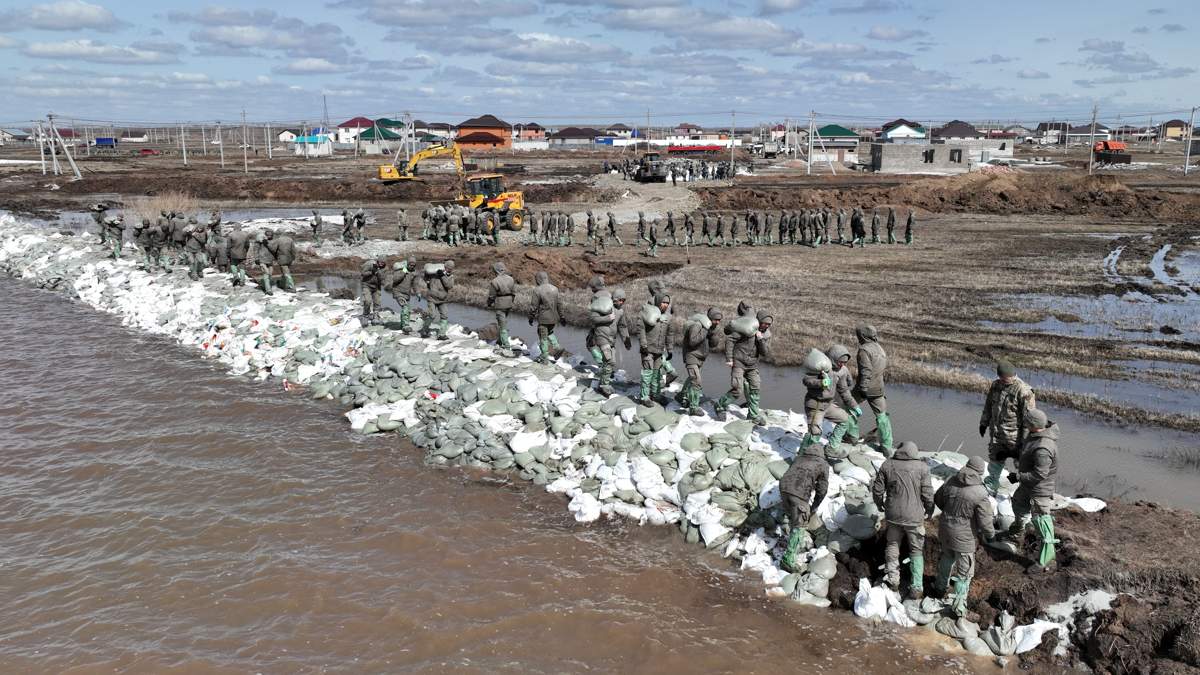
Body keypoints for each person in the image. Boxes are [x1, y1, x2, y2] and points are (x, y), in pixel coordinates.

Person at [933, 456, 996, 618]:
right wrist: (990, 534)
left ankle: (939, 590)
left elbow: (938, 499)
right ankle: (958, 606)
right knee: (965, 571)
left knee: (947, 558)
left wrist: (950, 513)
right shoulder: (980, 492)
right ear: (981, 472)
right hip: (964, 536)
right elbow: (985, 520)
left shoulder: (951, 480)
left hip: (945, 529)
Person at [872, 440, 934, 599]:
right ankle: (916, 587)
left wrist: (880, 505)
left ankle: (893, 580)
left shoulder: (887, 465)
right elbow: (927, 494)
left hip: (893, 515)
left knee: (892, 544)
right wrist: (929, 510)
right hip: (914, 517)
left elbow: (877, 490)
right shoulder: (922, 468)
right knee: (916, 550)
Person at [1001, 409, 1060, 571]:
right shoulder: (1035, 436)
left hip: (1039, 489)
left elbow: (1040, 474)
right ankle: (1016, 533)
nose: (1024, 424)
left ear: (1034, 425)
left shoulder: (1043, 447)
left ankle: (1046, 561)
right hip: (1028, 485)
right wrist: (1010, 452)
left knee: (1042, 521)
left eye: (1027, 422)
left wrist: (1018, 477)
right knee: (1018, 504)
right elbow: (1026, 451)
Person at [980, 359, 1038, 493]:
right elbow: (988, 406)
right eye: (1003, 378)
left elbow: (1030, 419)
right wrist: (983, 423)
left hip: (1016, 438)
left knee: (1022, 465)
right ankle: (991, 485)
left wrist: (1025, 442)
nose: (1006, 380)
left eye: (1009, 378)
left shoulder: (1024, 391)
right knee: (995, 460)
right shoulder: (995, 386)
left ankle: (1025, 491)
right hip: (997, 436)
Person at [777, 439, 829, 572]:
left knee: (792, 516)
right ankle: (788, 560)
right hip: (799, 492)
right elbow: (822, 489)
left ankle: (784, 537)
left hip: (783, 487)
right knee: (800, 524)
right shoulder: (822, 464)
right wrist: (814, 506)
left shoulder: (800, 458)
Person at [716, 312, 771, 425]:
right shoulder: (747, 328)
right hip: (739, 362)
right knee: (737, 388)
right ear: (759, 322)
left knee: (755, 388)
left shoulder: (766, 335)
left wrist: (760, 339)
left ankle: (753, 415)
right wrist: (729, 358)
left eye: (769, 324)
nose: (767, 326)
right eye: (765, 323)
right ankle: (720, 406)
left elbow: (765, 353)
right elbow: (730, 340)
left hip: (752, 365)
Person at [677, 308, 723, 416]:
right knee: (696, 381)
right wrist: (705, 330)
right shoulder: (697, 325)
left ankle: (681, 395)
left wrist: (713, 336)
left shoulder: (710, 328)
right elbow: (692, 341)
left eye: (719, 320)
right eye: (716, 320)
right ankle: (693, 407)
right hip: (691, 355)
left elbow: (712, 345)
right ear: (710, 318)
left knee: (692, 379)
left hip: (701, 357)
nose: (718, 322)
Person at [854, 325, 892, 452]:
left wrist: (863, 388)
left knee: (848, 408)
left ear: (863, 336)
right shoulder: (880, 349)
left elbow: (866, 370)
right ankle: (886, 445)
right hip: (878, 388)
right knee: (882, 416)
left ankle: (851, 437)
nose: (858, 338)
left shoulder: (864, 350)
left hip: (866, 387)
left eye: (859, 335)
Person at [588, 284, 630, 396]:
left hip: (612, 339)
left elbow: (622, 326)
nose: (621, 303)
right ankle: (604, 385)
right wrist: (606, 318)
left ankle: (602, 381)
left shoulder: (620, 312)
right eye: (620, 300)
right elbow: (593, 318)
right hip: (602, 337)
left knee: (609, 363)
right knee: (610, 361)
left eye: (623, 301)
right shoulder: (605, 305)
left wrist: (626, 339)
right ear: (615, 298)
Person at [823, 344, 863, 455]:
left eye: (845, 363)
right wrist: (821, 383)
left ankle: (831, 448)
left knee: (844, 419)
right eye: (840, 362)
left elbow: (845, 390)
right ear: (833, 358)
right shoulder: (822, 368)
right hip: (816, 402)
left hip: (830, 403)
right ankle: (805, 451)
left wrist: (855, 405)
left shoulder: (843, 370)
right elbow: (807, 381)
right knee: (814, 430)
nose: (842, 365)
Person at [634, 292, 672, 405]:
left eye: (667, 303)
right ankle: (644, 397)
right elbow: (640, 330)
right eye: (663, 302)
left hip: (659, 351)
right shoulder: (646, 313)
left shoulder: (668, 317)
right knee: (647, 374)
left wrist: (670, 349)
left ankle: (655, 395)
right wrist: (643, 345)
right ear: (658, 302)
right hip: (648, 350)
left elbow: (670, 334)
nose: (665, 305)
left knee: (657, 374)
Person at [530, 271, 564, 363]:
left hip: (543, 318)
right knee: (549, 332)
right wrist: (562, 316)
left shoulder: (537, 290)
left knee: (542, 336)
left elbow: (534, 306)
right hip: (554, 317)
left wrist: (531, 317)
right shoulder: (555, 289)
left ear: (539, 279)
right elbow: (560, 304)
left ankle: (544, 357)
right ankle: (557, 347)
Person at [486, 262, 516, 349]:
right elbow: (514, 293)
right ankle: (499, 341)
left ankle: (506, 345)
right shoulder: (511, 279)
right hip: (509, 303)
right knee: (503, 322)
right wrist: (511, 301)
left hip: (500, 304)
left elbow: (492, 296)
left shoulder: (494, 281)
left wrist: (489, 303)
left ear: (496, 270)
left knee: (502, 325)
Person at [424, 260, 454, 339]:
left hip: (442, 300)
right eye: (448, 268)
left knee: (445, 315)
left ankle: (441, 334)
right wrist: (426, 278)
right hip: (432, 298)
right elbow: (426, 277)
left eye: (451, 269)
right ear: (445, 267)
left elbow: (449, 286)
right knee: (432, 315)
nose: (449, 270)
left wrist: (443, 276)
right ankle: (424, 330)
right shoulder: (435, 273)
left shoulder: (451, 277)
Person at [390, 257, 418, 332]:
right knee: (405, 307)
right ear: (407, 264)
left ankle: (403, 325)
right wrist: (403, 272)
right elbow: (395, 280)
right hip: (398, 292)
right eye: (410, 265)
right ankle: (405, 326)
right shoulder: (400, 270)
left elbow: (415, 284)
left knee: (407, 310)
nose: (412, 266)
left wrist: (418, 292)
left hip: (407, 294)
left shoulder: (414, 273)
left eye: (413, 265)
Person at [360, 256, 387, 321]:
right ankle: (366, 315)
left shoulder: (385, 269)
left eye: (383, 262)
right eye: (380, 262)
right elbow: (363, 273)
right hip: (367, 285)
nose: (381, 264)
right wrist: (371, 272)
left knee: (377, 302)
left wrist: (378, 273)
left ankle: (376, 315)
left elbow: (383, 279)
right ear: (378, 261)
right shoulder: (370, 265)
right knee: (367, 301)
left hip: (377, 287)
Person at [254, 229, 277, 295]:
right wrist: (256, 258)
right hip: (263, 260)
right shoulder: (260, 241)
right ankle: (268, 290)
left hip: (269, 260)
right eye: (268, 235)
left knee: (269, 274)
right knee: (266, 274)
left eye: (270, 235)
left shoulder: (274, 241)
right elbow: (256, 249)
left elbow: (274, 250)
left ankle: (266, 286)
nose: (269, 236)